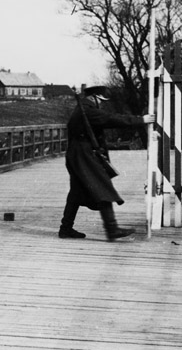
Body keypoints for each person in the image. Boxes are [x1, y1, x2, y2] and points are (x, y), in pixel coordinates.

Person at [59, 85, 155, 241]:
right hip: (83, 154)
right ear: (94, 97)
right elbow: (111, 119)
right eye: (101, 101)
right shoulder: (88, 111)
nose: (101, 104)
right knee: (103, 187)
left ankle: (65, 228)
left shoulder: (84, 109)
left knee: (76, 193)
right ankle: (111, 229)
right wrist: (141, 120)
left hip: (76, 154)